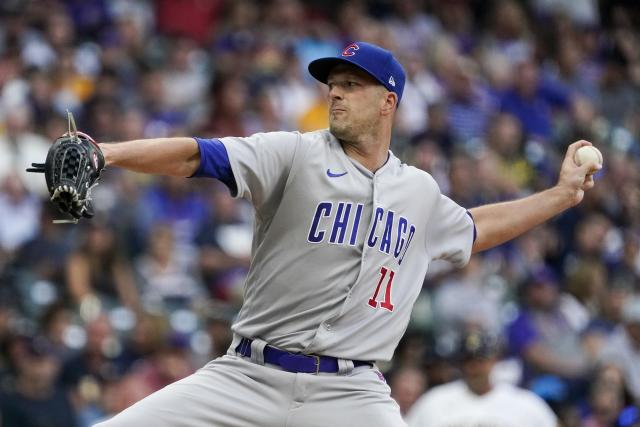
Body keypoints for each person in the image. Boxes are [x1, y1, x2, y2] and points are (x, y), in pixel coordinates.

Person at [89, 41, 598, 426]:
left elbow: (473, 228)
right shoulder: (294, 153)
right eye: (334, 83)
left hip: (352, 394)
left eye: (353, 85)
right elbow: (198, 155)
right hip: (247, 375)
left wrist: (559, 196)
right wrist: (106, 153)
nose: (336, 92)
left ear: (388, 101)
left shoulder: (418, 190)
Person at [405, 330, 557, 427]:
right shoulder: (433, 402)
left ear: (494, 360)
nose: (474, 368)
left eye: (481, 361)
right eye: (468, 361)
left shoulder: (527, 404)